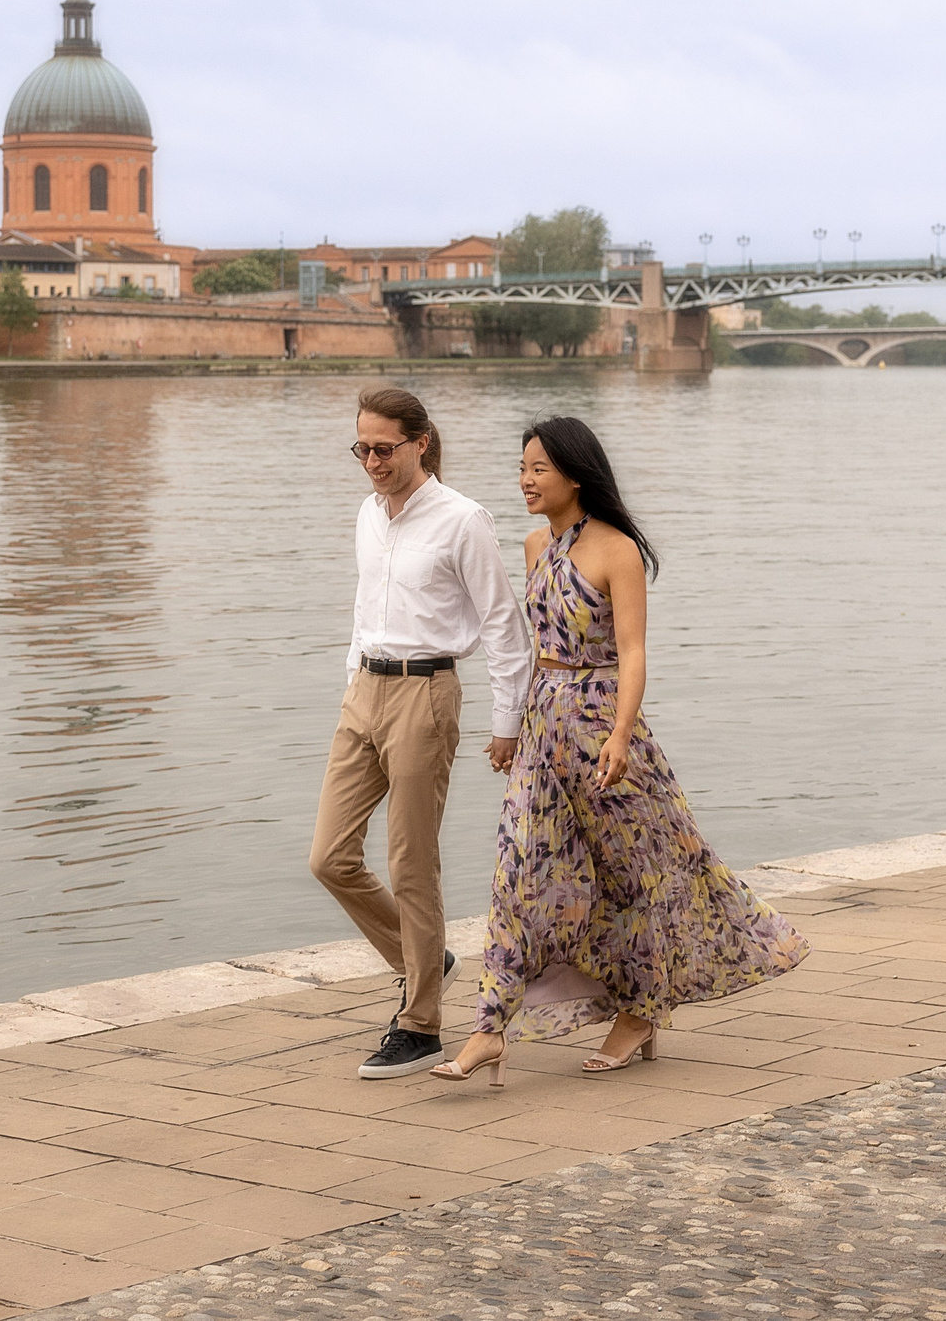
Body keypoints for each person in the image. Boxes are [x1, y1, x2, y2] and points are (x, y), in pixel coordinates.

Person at [433, 415, 807, 1086]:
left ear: (577, 474)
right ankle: (489, 1028)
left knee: (638, 878)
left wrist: (621, 735)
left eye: (538, 469)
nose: (524, 480)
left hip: (604, 728)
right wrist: (512, 726)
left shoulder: (617, 551)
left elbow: (632, 653)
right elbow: (531, 649)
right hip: (545, 730)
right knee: (518, 873)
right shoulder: (531, 547)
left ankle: (639, 1013)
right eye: (522, 467)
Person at [313, 386, 533, 1078]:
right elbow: (362, 605)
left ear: (421, 443)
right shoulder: (366, 515)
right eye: (362, 449)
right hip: (366, 690)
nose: (372, 462)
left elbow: (503, 624)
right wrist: (353, 678)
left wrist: (507, 721)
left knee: (412, 862)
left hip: (426, 692)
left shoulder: (463, 520)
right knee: (329, 857)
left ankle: (422, 1023)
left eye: (384, 448)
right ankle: (422, 959)